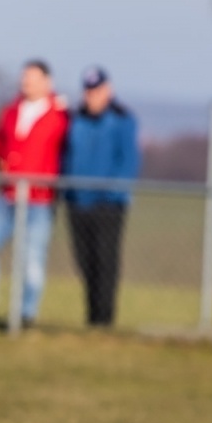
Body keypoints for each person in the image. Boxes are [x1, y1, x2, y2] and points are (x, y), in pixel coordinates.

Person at [0, 60, 68, 328]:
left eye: (33, 78)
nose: (27, 83)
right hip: (7, 196)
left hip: (38, 200)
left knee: (32, 261)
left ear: (47, 82)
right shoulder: (11, 112)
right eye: (24, 78)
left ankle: (25, 315)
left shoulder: (61, 115)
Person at [62, 66, 140, 327]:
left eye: (96, 91)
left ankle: (104, 321)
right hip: (77, 202)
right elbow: (67, 155)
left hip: (108, 204)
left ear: (108, 90)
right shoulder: (75, 118)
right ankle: (91, 317)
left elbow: (127, 161)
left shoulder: (121, 119)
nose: (92, 96)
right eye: (88, 91)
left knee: (105, 262)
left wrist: (111, 192)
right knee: (85, 262)